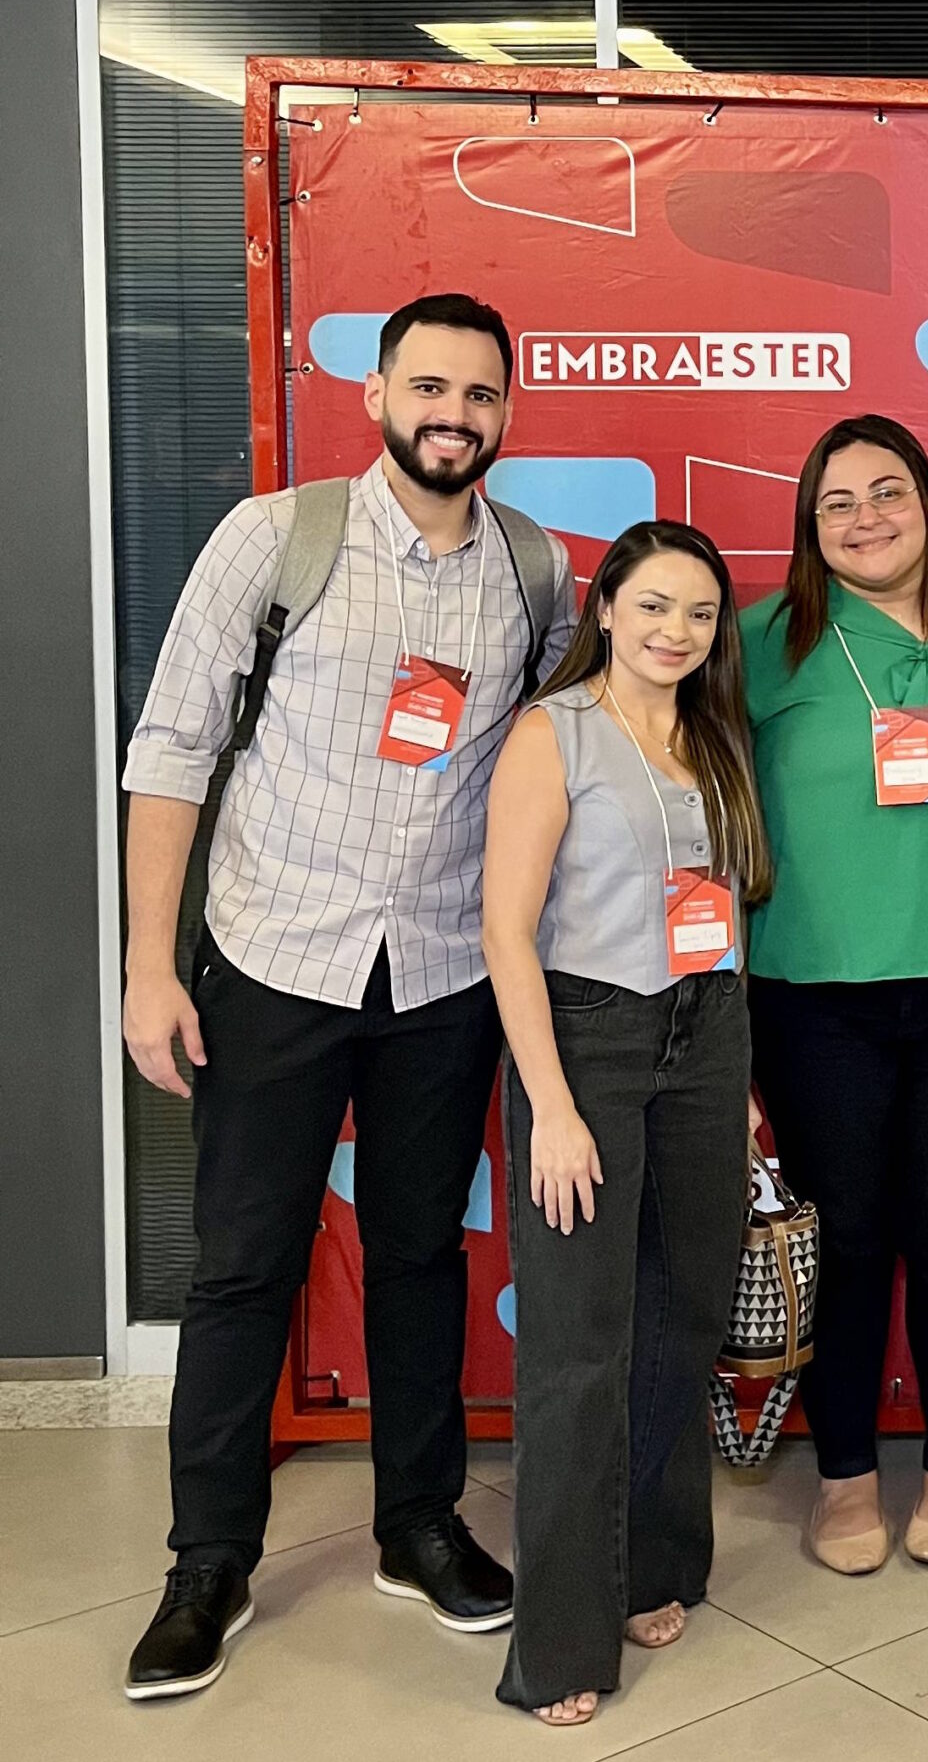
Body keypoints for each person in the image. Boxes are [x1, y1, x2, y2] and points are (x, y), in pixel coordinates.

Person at [117, 294, 574, 1699]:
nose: (455, 414)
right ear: (376, 393)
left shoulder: (536, 570)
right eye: (429, 386)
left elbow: (545, 764)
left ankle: (416, 1522)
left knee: (420, 1253)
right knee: (244, 1263)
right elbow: (174, 746)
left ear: (508, 410)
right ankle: (208, 1560)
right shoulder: (277, 538)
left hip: (442, 968)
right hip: (274, 959)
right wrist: (148, 965)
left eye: (480, 393)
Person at [741, 415, 928, 1575]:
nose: (865, 517)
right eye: (837, 501)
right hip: (814, 994)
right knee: (852, 1244)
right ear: (809, 525)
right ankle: (845, 1476)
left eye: (886, 492)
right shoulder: (759, 639)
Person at [480, 521, 771, 1725]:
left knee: (682, 1313)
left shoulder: (712, 734)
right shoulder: (552, 734)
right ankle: (558, 1643)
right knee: (578, 1343)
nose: (676, 631)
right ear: (604, 607)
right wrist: (549, 1105)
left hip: (709, 1030)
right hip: (587, 1038)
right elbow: (506, 931)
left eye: (699, 612)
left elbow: (720, 905)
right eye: (653, 605)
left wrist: (733, 1076)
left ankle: (655, 1563)